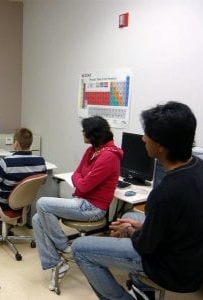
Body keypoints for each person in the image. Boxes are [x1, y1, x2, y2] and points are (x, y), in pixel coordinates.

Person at [73, 101, 203, 300]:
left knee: (80, 248)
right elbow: (176, 223)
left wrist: (130, 231)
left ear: (161, 146)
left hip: (171, 269)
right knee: (129, 215)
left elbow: (146, 246)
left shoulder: (166, 193)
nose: (143, 138)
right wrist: (142, 226)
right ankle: (141, 291)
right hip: (193, 258)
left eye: (147, 135)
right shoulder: (200, 167)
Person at [32, 116, 123, 291]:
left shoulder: (109, 156)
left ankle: (64, 247)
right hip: (81, 201)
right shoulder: (92, 151)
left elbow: (83, 184)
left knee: (42, 203)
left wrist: (81, 181)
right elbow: (77, 175)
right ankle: (57, 263)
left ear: (93, 134)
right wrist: (80, 181)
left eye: (85, 131)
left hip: (93, 208)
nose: (82, 133)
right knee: (37, 219)